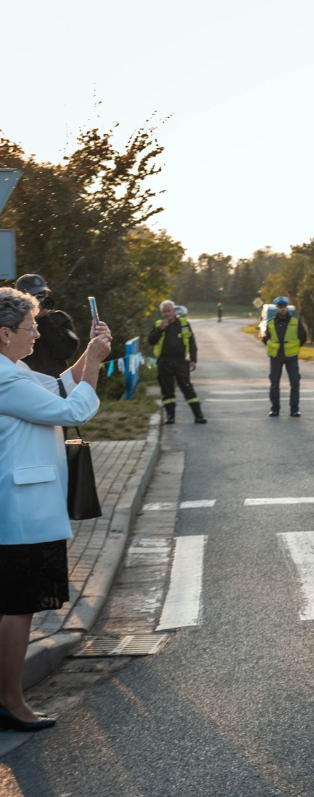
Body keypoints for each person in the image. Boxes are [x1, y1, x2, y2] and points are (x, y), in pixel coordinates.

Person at [0, 287, 111, 732]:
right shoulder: (5, 380)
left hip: (26, 509)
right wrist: (99, 363)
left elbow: (62, 385)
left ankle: (8, 697)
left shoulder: (15, 370)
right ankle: (10, 701)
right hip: (21, 513)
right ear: (4, 333)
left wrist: (90, 351)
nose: (36, 333)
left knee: (17, 604)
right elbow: (71, 409)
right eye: (30, 327)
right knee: (17, 606)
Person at [147, 300, 206, 424]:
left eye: (169, 311)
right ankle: (170, 416)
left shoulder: (184, 324)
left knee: (187, 387)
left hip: (180, 361)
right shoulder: (158, 324)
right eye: (164, 311)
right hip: (164, 361)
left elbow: (191, 342)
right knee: (167, 389)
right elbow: (151, 341)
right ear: (161, 313)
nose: (167, 314)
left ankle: (198, 415)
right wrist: (160, 330)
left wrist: (193, 360)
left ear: (174, 311)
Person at [13, 274, 79, 378]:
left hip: (53, 383)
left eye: (42, 295)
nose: (39, 300)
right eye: (34, 296)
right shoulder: (12, 321)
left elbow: (65, 352)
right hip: (22, 381)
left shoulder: (58, 319)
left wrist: (44, 319)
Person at [262, 297, 308, 418]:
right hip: (276, 356)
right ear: (277, 308)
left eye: (284, 307)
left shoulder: (295, 321)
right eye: (280, 307)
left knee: (295, 382)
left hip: (291, 356)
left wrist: (295, 348)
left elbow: (303, 336)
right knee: (274, 383)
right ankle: (274, 409)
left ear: (287, 308)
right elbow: (266, 338)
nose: (282, 309)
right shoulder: (271, 323)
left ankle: (294, 409)